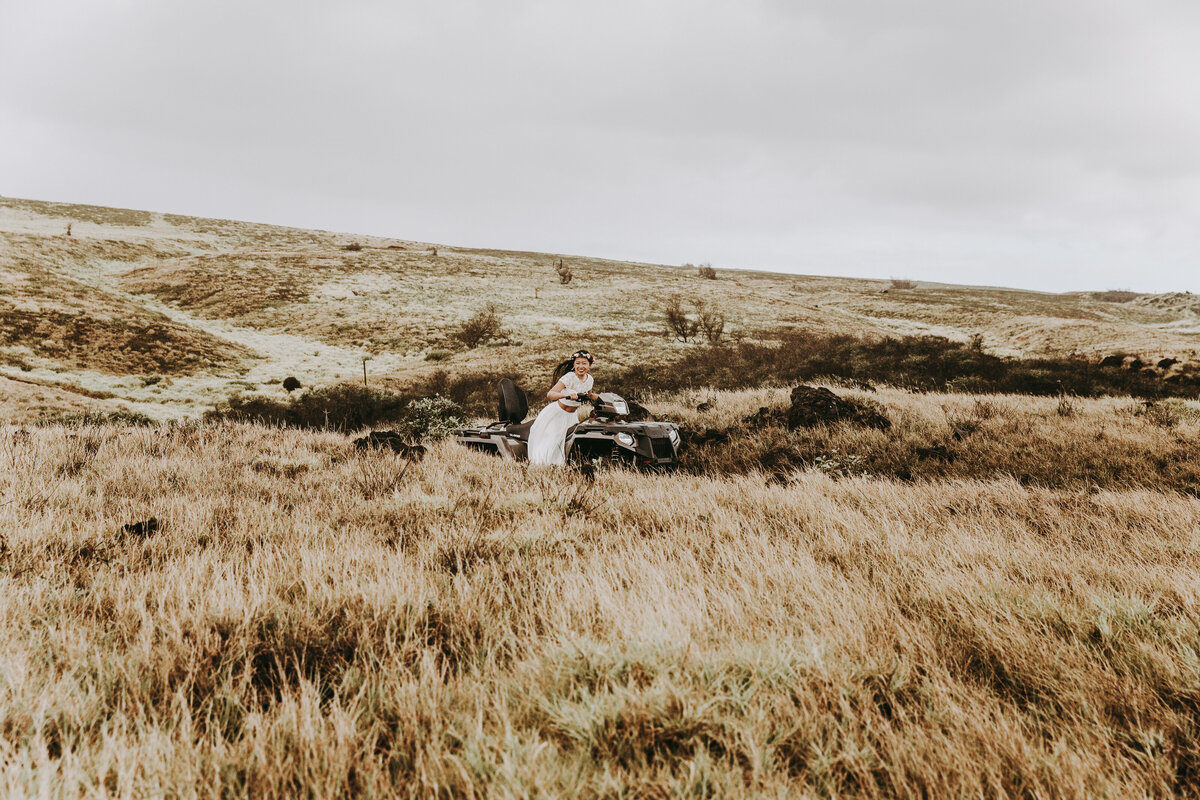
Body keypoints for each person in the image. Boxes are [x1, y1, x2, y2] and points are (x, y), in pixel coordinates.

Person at [528, 349, 596, 465]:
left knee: (566, 444)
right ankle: (543, 467)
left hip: (572, 416)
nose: (581, 366)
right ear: (574, 364)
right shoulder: (569, 377)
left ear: (589, 365)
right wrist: (567, 395)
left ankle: (563, 468)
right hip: (557, 414)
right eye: (578, 363)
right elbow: (550, 394)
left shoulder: (589, 379)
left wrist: (605, 398)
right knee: (552, 442)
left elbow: (590, 394)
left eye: (584, 363)